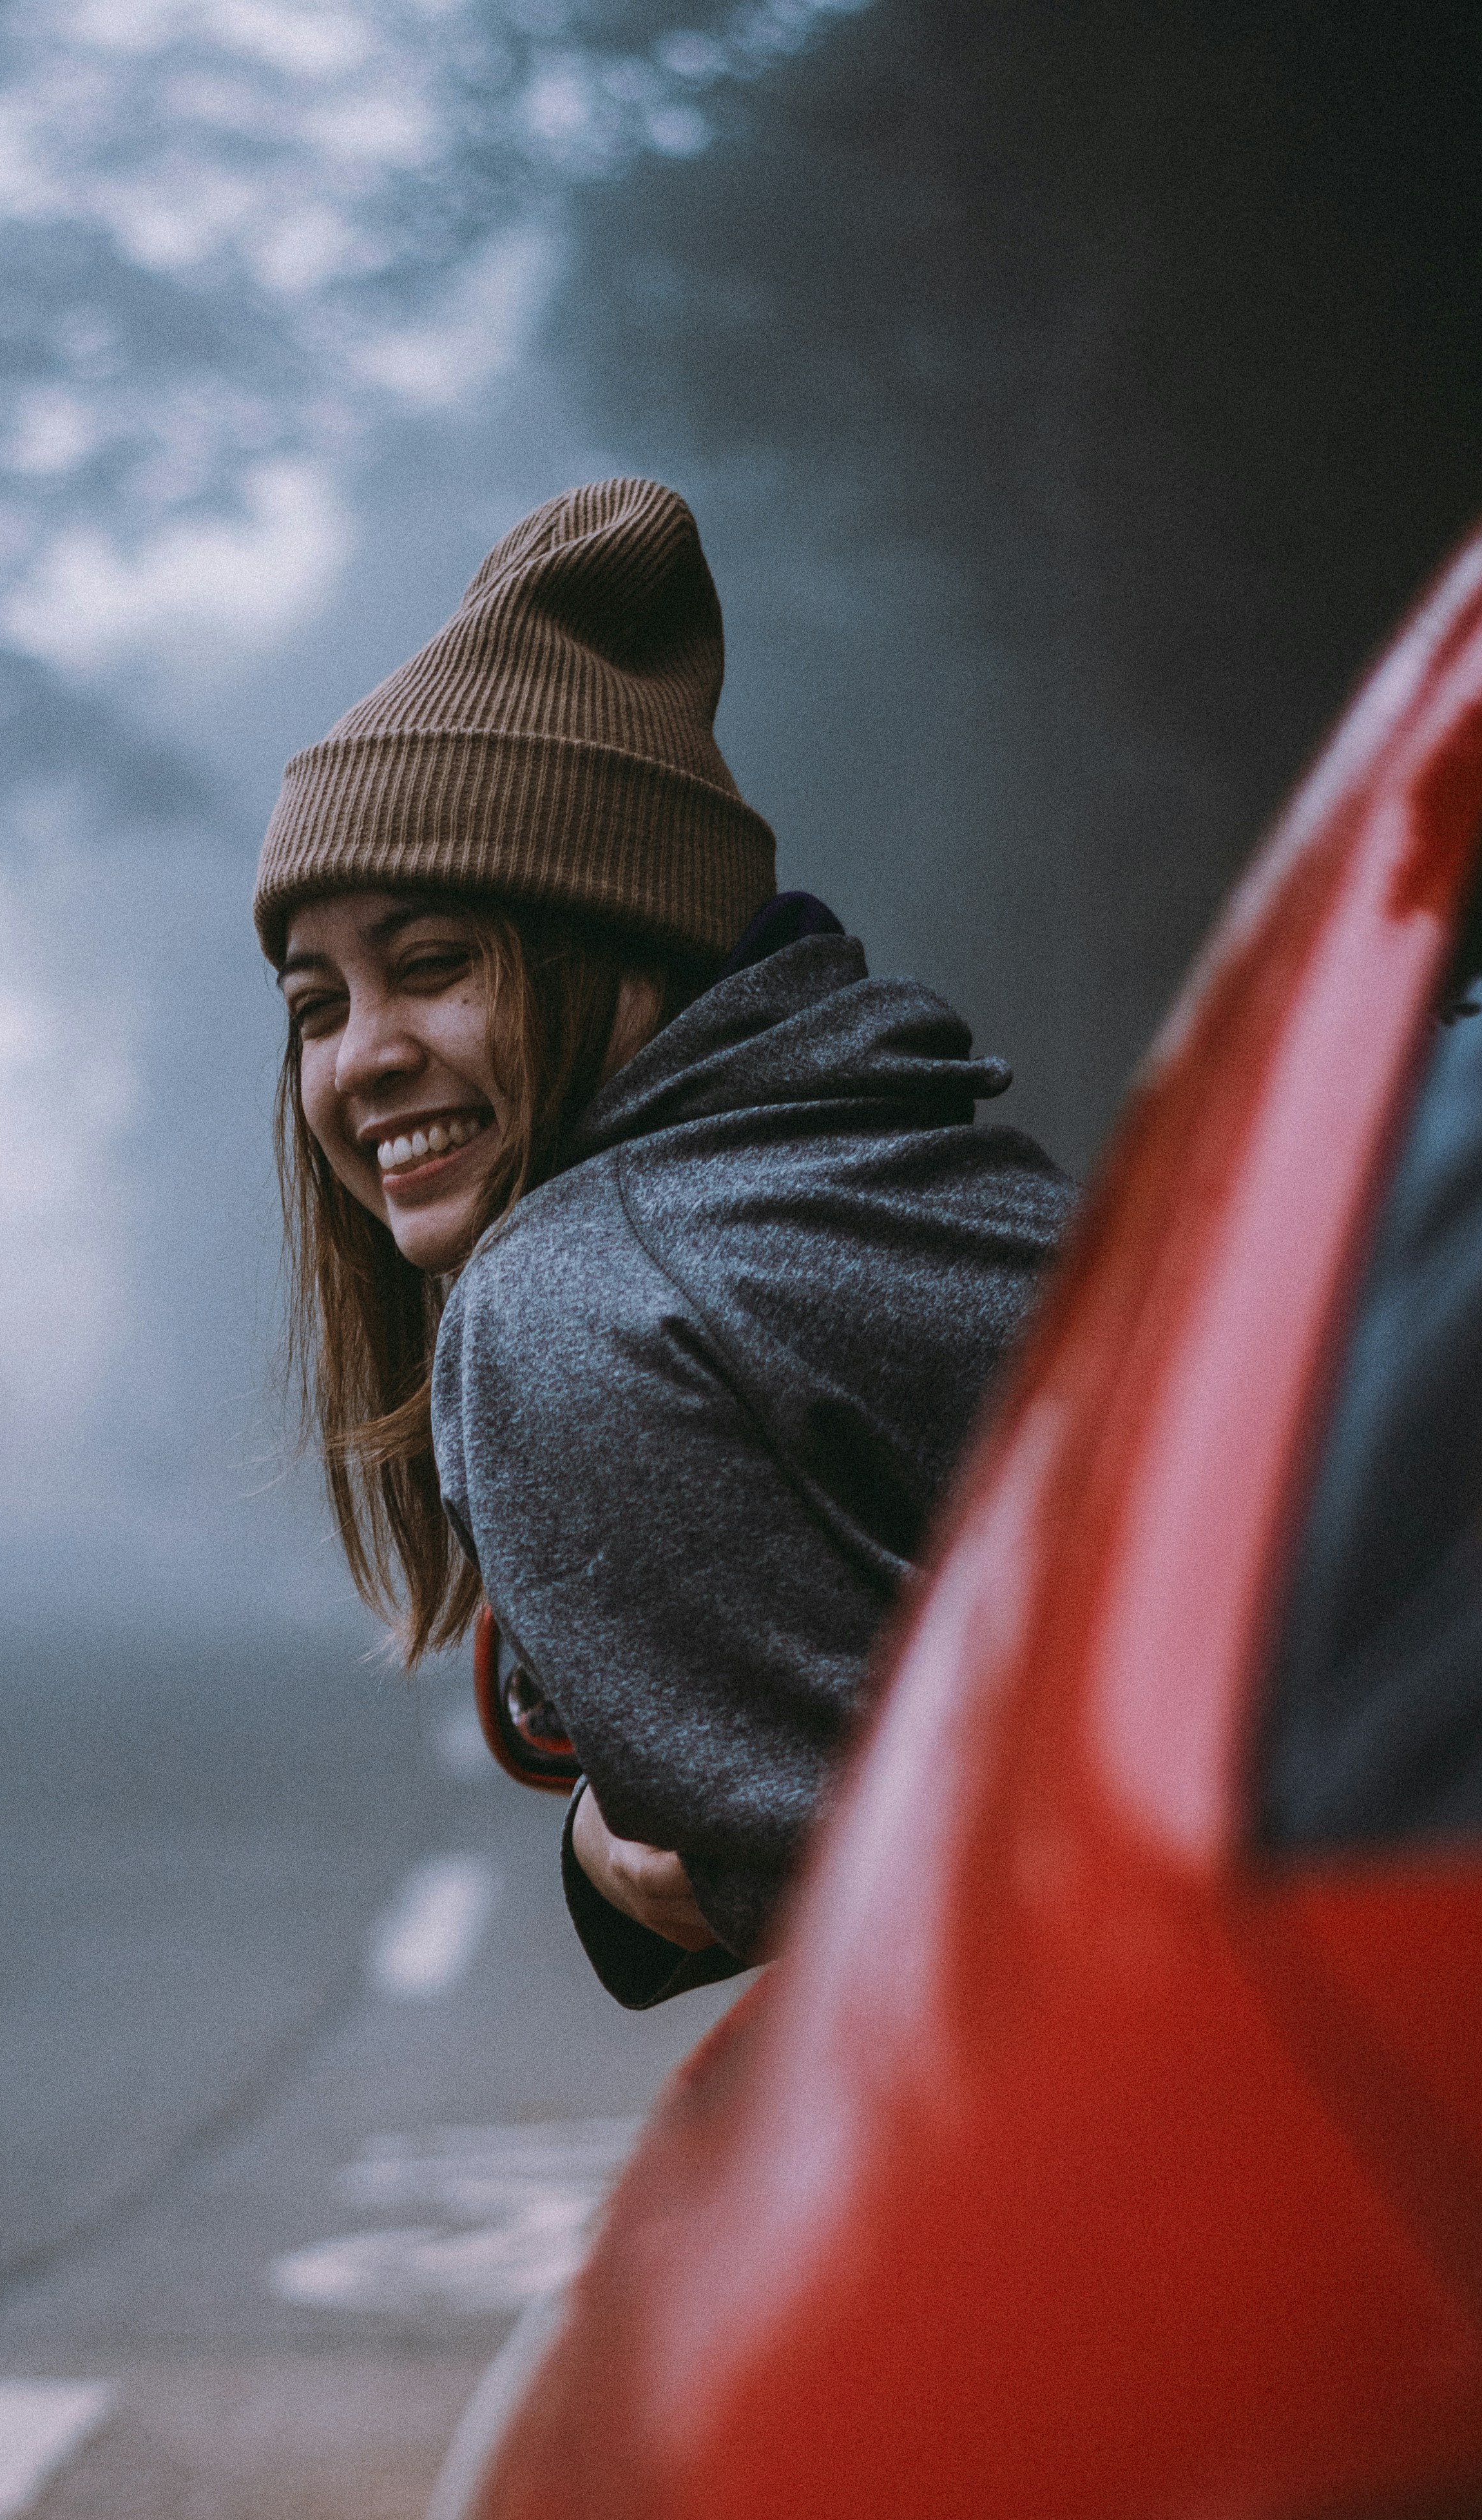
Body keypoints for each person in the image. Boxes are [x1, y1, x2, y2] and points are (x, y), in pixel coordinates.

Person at [256, 476, 1078, 2006]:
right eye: (317, 1006)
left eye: (433, 966)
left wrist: (646, 1859)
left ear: (629, 948)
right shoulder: (913, 1167)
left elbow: (858, 1870)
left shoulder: (580, 1296)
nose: (360, 1058)